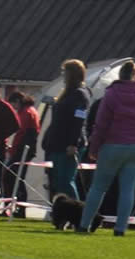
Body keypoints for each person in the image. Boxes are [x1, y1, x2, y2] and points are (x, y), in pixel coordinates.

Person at [77, 61, 135, 236]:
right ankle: (120, 228)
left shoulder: (111, 94)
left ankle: (84, 224)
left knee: (98, 187)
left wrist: (94, 148)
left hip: (112, 145)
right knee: (128, 189)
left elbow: (100, 124)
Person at [44, 59, 90, 200]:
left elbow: (79, 120)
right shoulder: (66, 94)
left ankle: (76, 213)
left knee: (65, 182)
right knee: (58, 182)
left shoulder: (80, 95)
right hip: (57, 145)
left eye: (65, 72)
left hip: (68, 145)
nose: (63, 75)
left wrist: (73, 143)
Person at [6, 91, 40, 217]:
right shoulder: (31, 110)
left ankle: (19, 207)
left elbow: (20, 133)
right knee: (18, 179)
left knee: (14, 179)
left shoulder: (25, 112)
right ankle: (19, 208)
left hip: (22, 151)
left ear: (17, 101)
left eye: (13, 105)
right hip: (26, 150)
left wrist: (13, 149)